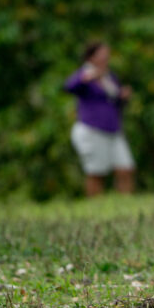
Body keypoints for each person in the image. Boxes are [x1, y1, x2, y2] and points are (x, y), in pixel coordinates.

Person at [64, 42, 135, 197]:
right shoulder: (85, 74)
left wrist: (123, 96)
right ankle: (95, 204)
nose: (106, 56)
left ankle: (126, 201)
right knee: (96, 171)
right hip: (92, 128)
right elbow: (69, 86)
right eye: (102, 53)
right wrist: (86, 78)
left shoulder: (110, 77)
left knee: (125, 167)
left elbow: (116, 102)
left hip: (113, 129)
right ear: (92, 56)